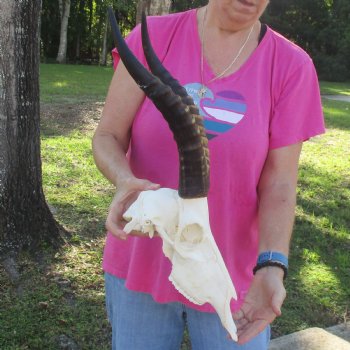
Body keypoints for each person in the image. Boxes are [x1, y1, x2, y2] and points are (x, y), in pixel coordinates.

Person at [92, 1, 325, 349]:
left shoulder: (291, 65)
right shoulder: (152, 37)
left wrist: (273, 265)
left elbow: (279, 182)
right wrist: (124, 179)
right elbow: (108, 135)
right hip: (142, 263)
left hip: (230, 278)